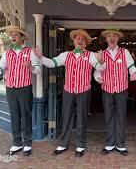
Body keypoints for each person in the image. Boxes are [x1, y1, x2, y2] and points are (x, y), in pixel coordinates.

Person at [34, 29, 105, 157]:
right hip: (68, 91)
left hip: (84, 90)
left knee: (82, 118)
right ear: (74, 41)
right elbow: (51, 63)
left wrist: (100, 61)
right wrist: (40, 57)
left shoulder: (91, 55)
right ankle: (63, 143)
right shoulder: (66, 55)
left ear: (86, 43)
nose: (80, 40)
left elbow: (100, 68)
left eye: (83, 39)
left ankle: (80, 145)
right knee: (66, 117)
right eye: (78, 38)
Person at [0, 25, 41, 156]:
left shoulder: (30, 52)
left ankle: (27, 144)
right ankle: (16, 143)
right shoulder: (7, 53)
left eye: (16, 34)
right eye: (12, 35)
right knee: (14, 116)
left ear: (22, 38)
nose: (13, 36)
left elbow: (38, 69)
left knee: (26, 116)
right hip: (11, 88)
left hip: (25, 88)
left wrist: (31, 67)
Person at [94, 29, 136, 156]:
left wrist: (134, 73)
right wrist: (98, 78)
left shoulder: (125, 52)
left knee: (121, 116)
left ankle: (120, 144)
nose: (112, 38)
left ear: (118, 39)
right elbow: (97, 70)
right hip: (106, 89)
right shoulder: (101, 54)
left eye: (114, 36)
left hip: (121, 89)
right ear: (106, 39)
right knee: (108, 116)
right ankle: (109, 144)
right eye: (109, 36)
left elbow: (131, 66)